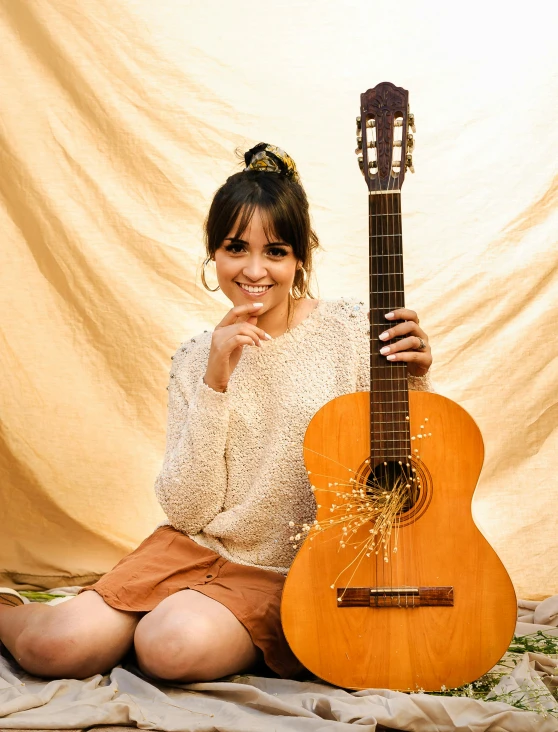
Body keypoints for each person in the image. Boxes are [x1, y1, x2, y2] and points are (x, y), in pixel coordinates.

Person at [0, 143, 433, 683]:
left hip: (286, 569)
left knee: (170, 648)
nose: (255, 270)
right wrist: (216, 381)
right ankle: (8, 610)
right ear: (213, 255)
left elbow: (405, 461)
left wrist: (415, 376)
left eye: (276, 251)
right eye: (236, 248)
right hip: (190, 549)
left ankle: (159, 632)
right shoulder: (194, 356)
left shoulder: (350, 331)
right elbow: (186, 509)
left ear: (300, 259)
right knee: (54, 648)